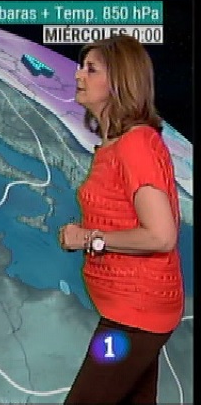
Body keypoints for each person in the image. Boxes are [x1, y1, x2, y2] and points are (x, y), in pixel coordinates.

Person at [58, 34, 184, 404]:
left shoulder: (135, 145)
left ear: (119, 83)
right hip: (134, 312)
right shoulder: (117, 145)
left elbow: (161, 236)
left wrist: (87, 238)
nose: (78, 75)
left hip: (134, 317)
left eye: (91, 69)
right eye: (81, 67)